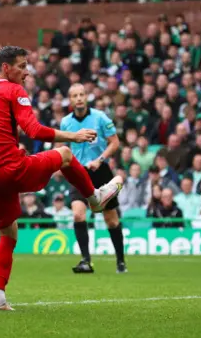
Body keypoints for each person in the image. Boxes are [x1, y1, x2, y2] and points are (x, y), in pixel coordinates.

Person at [0, 46, 123, 311]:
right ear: (5, 68)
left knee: (8, 234)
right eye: (22, 66)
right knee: (66, 155)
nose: (26, 72)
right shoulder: (13, 90)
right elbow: (34, 130)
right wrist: (73, 135)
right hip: (11, 169)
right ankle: (95, 198)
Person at [60, 83, 127, 274]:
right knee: (78, 214)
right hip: (78, 172)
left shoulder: (100, 117)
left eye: (82, 94)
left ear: (87, 97)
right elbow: (64, 147)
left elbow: (114, 142)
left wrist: (100, 159)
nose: (79, 98)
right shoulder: (66, 122)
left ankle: (120, 261)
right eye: (75, 95)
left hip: (100, 171)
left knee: (111, 220)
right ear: (70, 100)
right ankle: (86, 261)